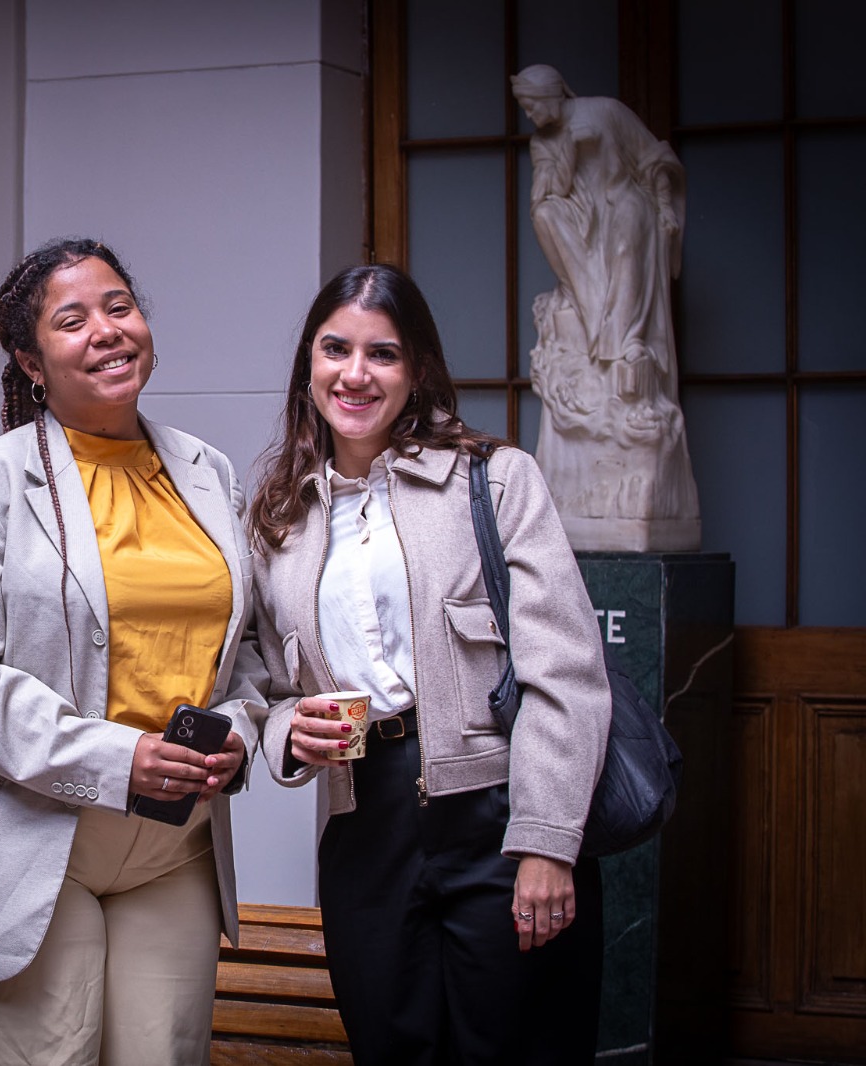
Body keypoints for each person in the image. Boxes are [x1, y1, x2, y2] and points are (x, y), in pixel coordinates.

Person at [0, 238, 266, 1065]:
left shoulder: (208, 472)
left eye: (119, 307)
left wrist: (241, 733)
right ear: (31, 362)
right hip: (32, 836)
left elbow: (244, 646)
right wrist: (119, 758)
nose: (107, 330)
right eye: (72, 321)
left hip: (175, 846)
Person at [247, 263, 610, 1064]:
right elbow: (266, 686)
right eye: (335, 349)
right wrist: (287, 733)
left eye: (382, 353)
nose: (355, 374)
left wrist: (548, 841)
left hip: (498, 813)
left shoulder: (495, 478)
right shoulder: (277, 517)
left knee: (515, 1049)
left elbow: (564, 673)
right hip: (363, 823)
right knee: (391, 1047)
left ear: (416, 370)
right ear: (309, 363)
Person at [513, 63, 700, 549]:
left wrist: (663, 205)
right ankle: (589, 304)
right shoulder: (542, 142)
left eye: (533, 104)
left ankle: (624, 340)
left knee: (625, 238)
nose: (530, 115)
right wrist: (567, 156)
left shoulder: (606, 112)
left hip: (626, 205)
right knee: (545, 213)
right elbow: (547, 194)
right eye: (525, 108)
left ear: (553, 94)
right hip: (583, 221)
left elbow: (654, 158)